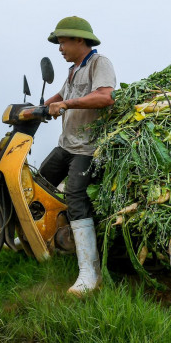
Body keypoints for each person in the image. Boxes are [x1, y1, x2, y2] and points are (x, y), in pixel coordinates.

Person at [41, 16, 117, 295]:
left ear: (79, 40)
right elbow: (61, 93)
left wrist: (65, 104)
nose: (60, 48)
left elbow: (105, 97)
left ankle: (89, 270)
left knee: (75, 195)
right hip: (66, 144)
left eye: (63, 42)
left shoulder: (99, 64)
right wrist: (38, 107)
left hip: (88, 148)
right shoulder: (74, 69)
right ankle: (45, 237)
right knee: (40, 184)